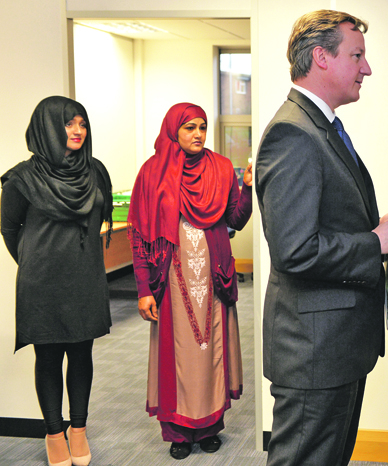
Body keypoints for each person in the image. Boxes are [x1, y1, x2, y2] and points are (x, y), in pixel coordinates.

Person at [256, 10, 388, 466]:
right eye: (358, 55)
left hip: (334, 346)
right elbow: (294, 251)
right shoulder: (293, 133)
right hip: (313, 351)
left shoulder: (319, 126)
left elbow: (318, 225)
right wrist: (374, 243)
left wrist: (373, 230)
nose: (366, 68)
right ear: (321, 58)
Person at [127, 102, 252, 460]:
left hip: (214, 278)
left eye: (202, 127)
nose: (198, 134)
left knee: (211, 350)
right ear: (173, 131)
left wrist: (246, 191)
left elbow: (235, 220)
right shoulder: (152, 173)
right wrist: (142, 289)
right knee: (176, 354)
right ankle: (178, 432)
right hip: (171, 278)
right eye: (189, 128)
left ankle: (211, 426)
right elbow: (139, 236)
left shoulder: (222, 168)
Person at [1, 96, 113, 466]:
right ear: (48, 127)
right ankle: (53, 432)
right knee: (48, 356)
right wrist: (34, 261)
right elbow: (9, 226)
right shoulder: (21, 178)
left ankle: (78, 430)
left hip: (84, 279)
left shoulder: (95, 171)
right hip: (42, 282)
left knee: (82, 354)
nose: (78, 130)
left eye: (81, 123)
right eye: (68, 124)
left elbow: (104, 213)